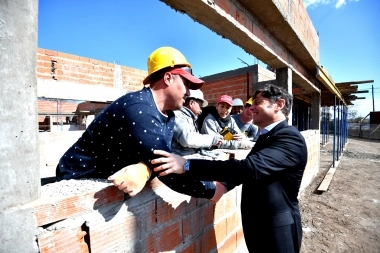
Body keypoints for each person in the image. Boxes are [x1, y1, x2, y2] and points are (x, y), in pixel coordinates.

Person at [55, 46, 226, 202]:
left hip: (107, 176)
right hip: (77, 177)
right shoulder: (140, 108)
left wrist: (146, 168)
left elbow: (162, 158)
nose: (189, 92)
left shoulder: (168, 115)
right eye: (186, 84)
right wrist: (211, 190)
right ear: (168, 78)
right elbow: (167, 169)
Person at [152, 84, 308, 253]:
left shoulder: (290, 137)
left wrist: (187, 164)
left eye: (258, 102)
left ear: (279, 105)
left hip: (277, 229)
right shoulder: (268, 136)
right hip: (259, 225)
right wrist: (224, 185)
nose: (252, 108)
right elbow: (251, 169)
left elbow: (249, 168)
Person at [171, 89, 223, 156]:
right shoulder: (177, 115)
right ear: (191, 103)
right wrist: (212, 139)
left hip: (187, 157)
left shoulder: (190, 118)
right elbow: (188, 139)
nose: (201, 111)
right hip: (179, 160)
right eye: (200, 106)